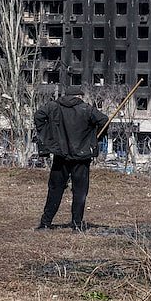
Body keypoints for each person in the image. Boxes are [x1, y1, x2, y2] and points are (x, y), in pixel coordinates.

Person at [34, 86, 108, 231]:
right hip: (81, 157)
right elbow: (104, 120)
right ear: (79, 96)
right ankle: (76, 224)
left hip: (60, 155)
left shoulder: (52, 106)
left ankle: (45, 223)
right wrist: (93, 138)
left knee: (55, 189)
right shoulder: (86, 109)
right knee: (80, 191)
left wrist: (48, 138)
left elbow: (38, 117)